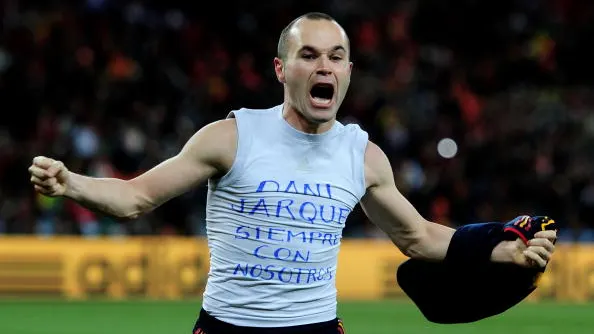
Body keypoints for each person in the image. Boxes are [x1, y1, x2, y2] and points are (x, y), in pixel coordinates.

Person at [28, 12, 556, 334]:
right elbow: (135, 198)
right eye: (308, 55)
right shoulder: (231, 137)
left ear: (348, 71)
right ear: (282, 70)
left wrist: (499, 249)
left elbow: (418, 237)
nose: (324, 66)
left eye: (336, 56)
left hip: (316, 330)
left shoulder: (363, 156)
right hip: (227, 329)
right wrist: (69, 182)